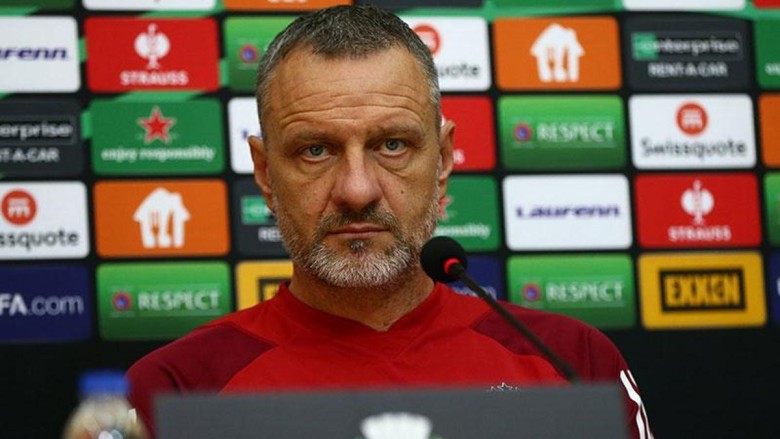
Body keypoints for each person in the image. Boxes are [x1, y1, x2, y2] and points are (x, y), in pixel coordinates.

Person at [127, 5, 652, 439]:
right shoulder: (175, 389)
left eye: (392, 145)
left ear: (442, 159)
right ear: (265, 172)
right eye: (316, 150)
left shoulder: (571, 361)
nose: (357, 190)